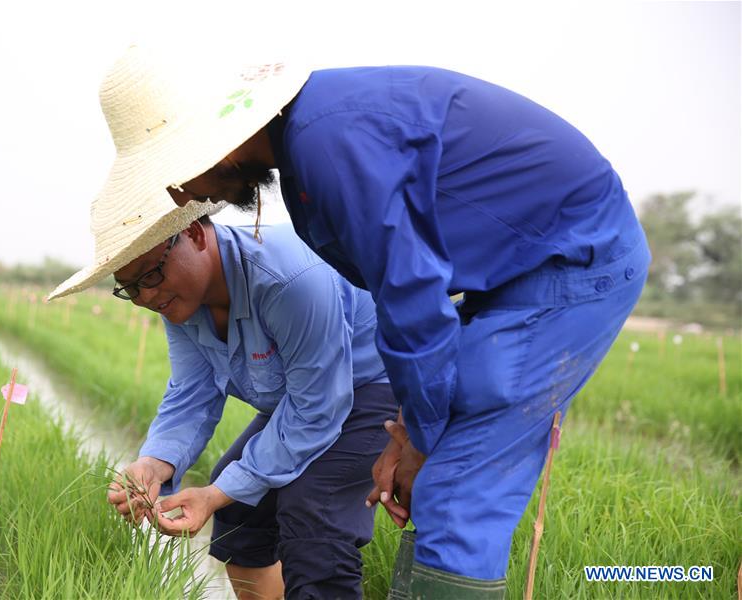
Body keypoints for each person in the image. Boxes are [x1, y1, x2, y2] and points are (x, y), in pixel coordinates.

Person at [49, 46, 651, 598]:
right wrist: (161, 462)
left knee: (440, 495)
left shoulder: (326, 153)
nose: (182, 198)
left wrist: (415, 440)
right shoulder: (307, 157)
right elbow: (194, 387)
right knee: (258, 516)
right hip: (504, 280)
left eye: (174, 177)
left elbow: (409, 300)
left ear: (213, 143)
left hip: (569, 260)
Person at [83, 212, 397, 599]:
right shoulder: (180, 300)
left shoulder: (287, 280)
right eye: (129, 288)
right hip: (304, 399)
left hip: (377, 385)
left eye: (150, 275)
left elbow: (317, 409)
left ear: (195, 233)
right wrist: (154, 463)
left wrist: (214, 494)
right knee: (240, 512)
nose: (146, 297)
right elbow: (192, 391)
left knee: (313, 510)